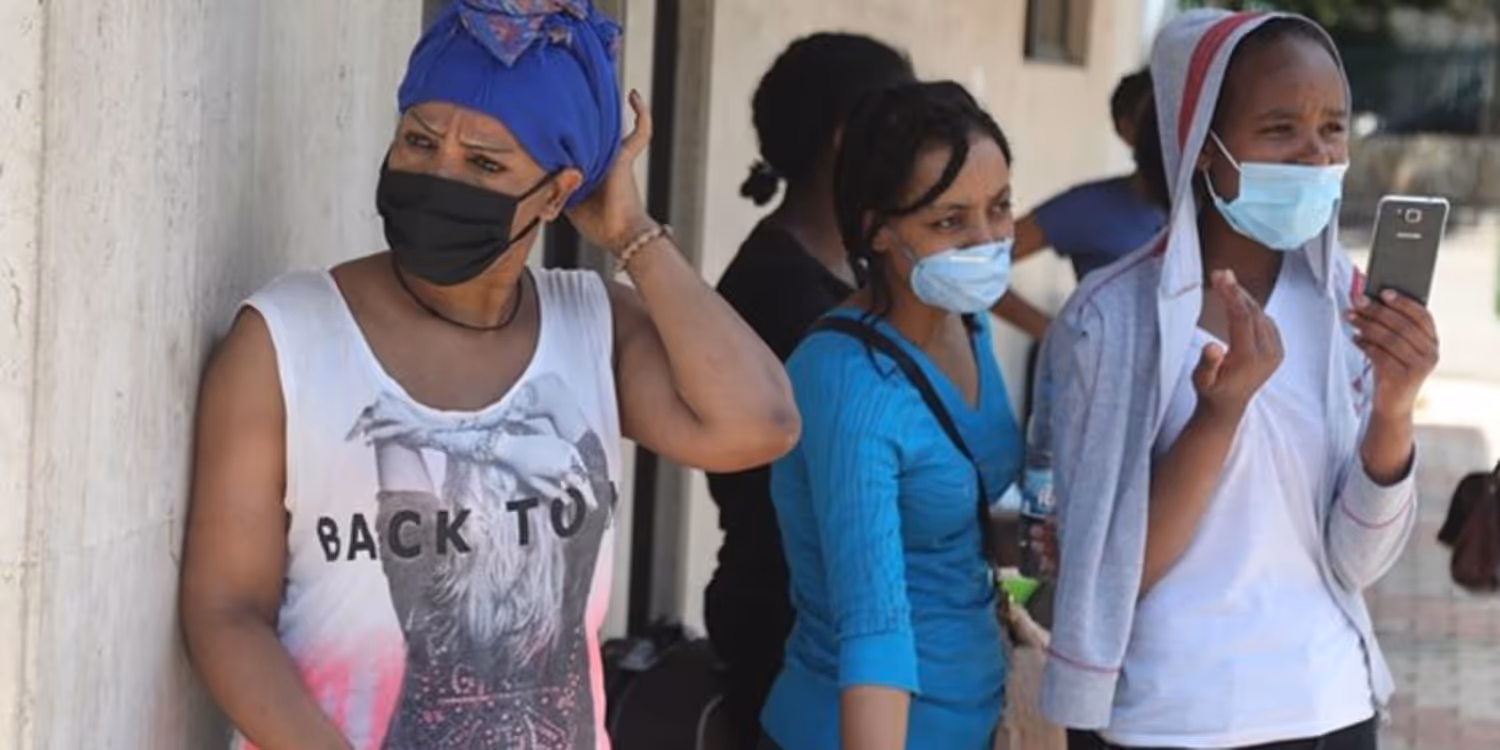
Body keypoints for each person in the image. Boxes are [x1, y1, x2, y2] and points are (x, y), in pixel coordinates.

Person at [178, 3, 799, 749]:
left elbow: (760, 423)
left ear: (557, 191)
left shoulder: (592, 326)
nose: (439, 173)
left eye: (485, 163)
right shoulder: (287, 339)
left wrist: (630, 235)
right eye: (418, 140)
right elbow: (225, 610)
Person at [1041, 10, 1439, 750]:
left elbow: (1358, 563)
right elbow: (1107, 578)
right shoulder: (1109, 322)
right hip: (1168, 720)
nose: (1315, 156)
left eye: (1332, 128)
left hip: (1328, 707)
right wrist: (1216, 417)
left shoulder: (1348, 307)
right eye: (1280, 129)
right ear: (1200, 145)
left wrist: (1394, 410)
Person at [761, 81, 1023, 750]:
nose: (986, 240)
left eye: (999, 209)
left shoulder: (969, 323)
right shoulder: (845, 382)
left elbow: (979, 510)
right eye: (949, 222)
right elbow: (872, 627)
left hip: (978, 714)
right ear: (878, 230)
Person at [705, 33, 916, 747]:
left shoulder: (852, 275)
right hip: (790, 621)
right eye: (901, 127)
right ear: (843, 141)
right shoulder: (780, 292)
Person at [991, 69, 1164, 341]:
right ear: (1126, 130)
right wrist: (1056, 335)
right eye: (1153, 120)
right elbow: (982, 266)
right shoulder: (1091, 207)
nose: (1165, 130)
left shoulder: (1209, 204)